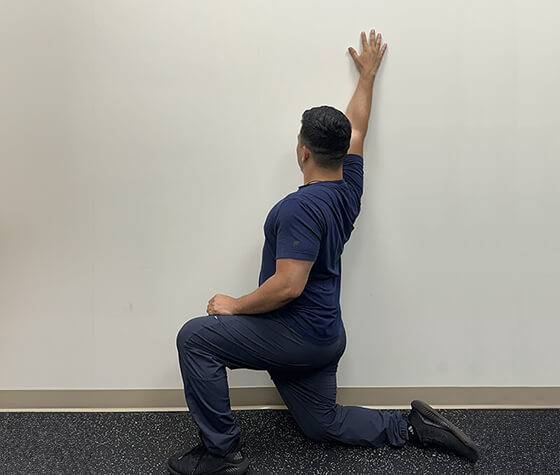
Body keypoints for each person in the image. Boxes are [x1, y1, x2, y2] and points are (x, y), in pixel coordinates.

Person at [168, 29, 480, 475]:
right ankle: (412, 429)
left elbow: (289, 285)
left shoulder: (300, 208)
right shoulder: (347, 188)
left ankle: (220, 454)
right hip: (325, 335)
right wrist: (367, 77)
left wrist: (232, 306)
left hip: (297, 335)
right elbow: (357, 128)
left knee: (196, 338)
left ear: (303, 151)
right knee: (320, 424)